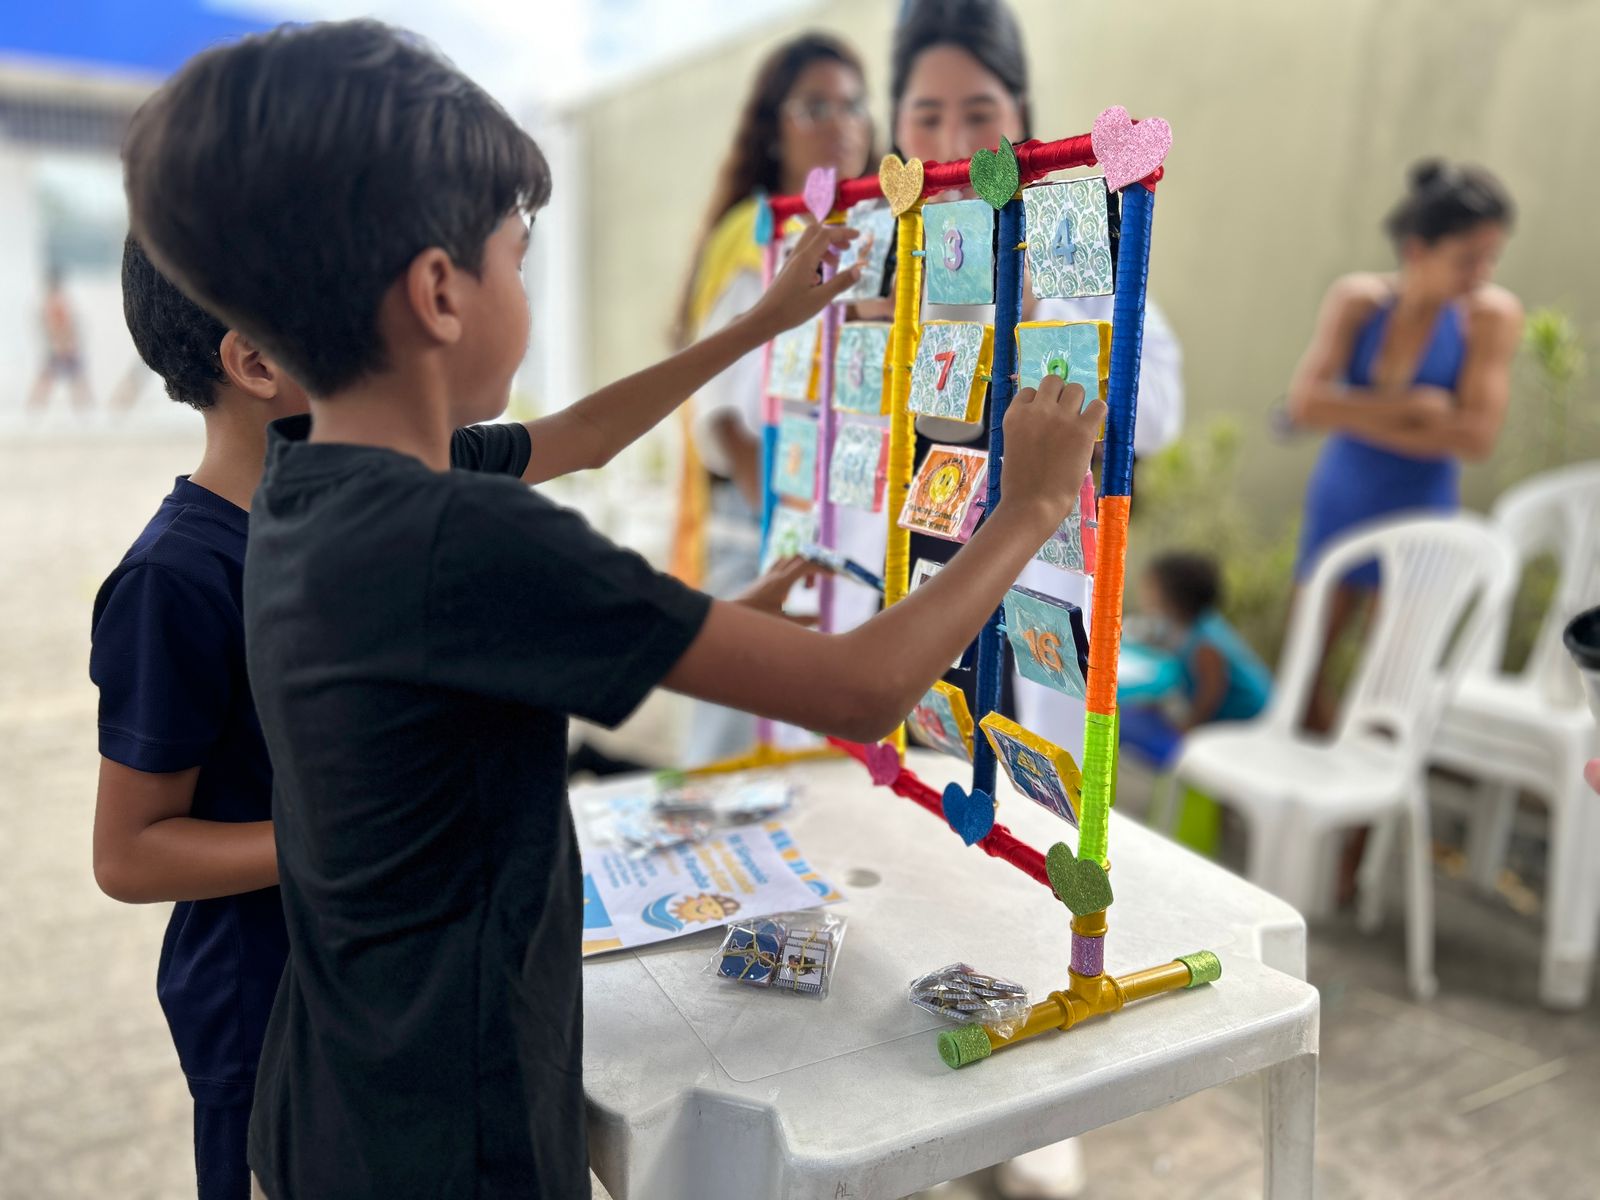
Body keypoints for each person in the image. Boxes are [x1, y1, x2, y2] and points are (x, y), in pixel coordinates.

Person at [121, 21, 1105, 1198]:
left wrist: (759, 325)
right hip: (449, 1141)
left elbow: (582, 436)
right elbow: (864, 689)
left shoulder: (308, 482)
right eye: (517, 257)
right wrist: (1027, 505)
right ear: (438, 292)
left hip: (336, 1094)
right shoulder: (459, 536)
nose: (524, 285)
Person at [878, 0, 1185, 752]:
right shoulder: (877, 263)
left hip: (1031, 618)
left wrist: (1042, 312)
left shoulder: (1069, 244)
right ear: (896, 128)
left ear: (1020, 115)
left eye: (980, 113)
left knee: (1018, 782)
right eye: (927, 117)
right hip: (896, 615)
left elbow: (1158, 415)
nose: (954, 144)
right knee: (905, 777)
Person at [89, 236, 310, 1200]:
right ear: (254, 361)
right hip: (264, 1015)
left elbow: (577, 437)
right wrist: (345, 840)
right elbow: (129, 854)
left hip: (368, 981)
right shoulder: (174, 580)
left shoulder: (342, 518)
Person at [670, 32, 875, 765]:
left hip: (841, 530)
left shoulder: (876, 231)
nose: (840, 124)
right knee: (733, 752)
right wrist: (786, 530)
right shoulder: (755, 234)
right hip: (761, 528)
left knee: (821, 756)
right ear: (773, 129)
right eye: (815, 106)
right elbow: (724, 417)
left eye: (853, 105)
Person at [1287, 160, 1522, 733]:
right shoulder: (1359, 301)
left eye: (1491, 257)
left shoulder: (1489, 318)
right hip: (1342, 498)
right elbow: (1304, 406)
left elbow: (1476, 437)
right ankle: (1306, 777)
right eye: (1468, 259)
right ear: (1418, 249)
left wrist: (1350, 411)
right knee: (1303, 672)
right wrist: (1416, 409)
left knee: (1390, 684)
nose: (1483, 273)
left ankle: (1363, 791)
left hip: (1421, 510)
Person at [1119, 551, 1272, 775]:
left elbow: (1211, 693)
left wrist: (1189, 729)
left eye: (1151, 587)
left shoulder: (1205, 644)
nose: (1144, 593)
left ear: (1172, 596)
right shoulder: (1189, 626)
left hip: (1249, 723)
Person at [28, 264, 93, 412]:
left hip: (64, 347)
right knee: (54, 378)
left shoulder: (56, 300)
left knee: (72, 378)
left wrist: (64, 343)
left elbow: (63, 325)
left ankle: (86, 409)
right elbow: (55, 326)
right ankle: (34, 409)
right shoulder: (55, 301)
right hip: (61, 347)